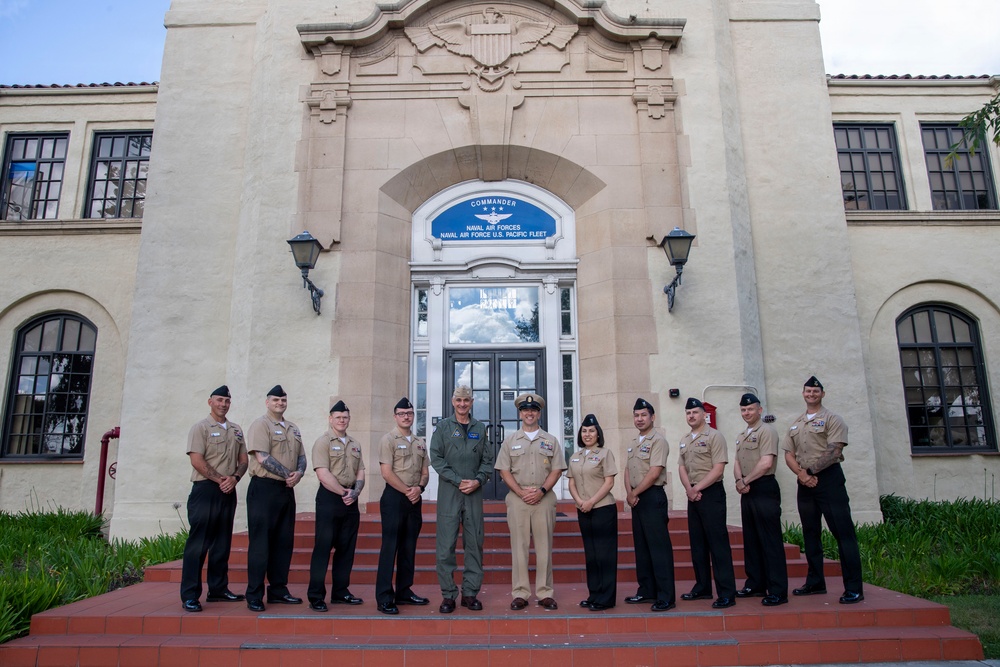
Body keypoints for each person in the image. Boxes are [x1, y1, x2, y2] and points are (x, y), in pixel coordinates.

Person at [782, 376, 864, 604]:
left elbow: (834, 450)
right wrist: (801, 474)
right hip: (804, 481)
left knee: (843, 533)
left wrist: (809, 472)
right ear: (803, 394)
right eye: (808, 391)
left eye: (815, 391)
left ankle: (854, 588)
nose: (811, 394)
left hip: (828, 480)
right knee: (811, 534)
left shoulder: (832, 419)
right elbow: (788, 452)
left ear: (822, 394)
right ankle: (815, 582)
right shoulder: (796, 423)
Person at [180, 385, 248, 612]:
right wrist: (221, 479)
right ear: (210, 402)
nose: (223, 404)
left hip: (228, 490)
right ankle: (190, 595)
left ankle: (218, 589)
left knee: (222, 544)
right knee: (198, 545)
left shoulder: (236, 430)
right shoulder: (200, 428)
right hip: (206, 490)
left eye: (227, 401)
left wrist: (235, 478)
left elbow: (243, 460)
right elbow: (196, 460)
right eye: (219, 400)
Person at [495, 393, 567, 610]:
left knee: (544, 548)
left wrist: (542, 490)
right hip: (518, 500)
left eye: (534, 410)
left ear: (539, 413)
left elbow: (557, 469)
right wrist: (520, 492)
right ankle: (520, 593)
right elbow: (504, 471)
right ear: (520, 413)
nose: (529, 413)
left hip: (544, 499)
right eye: (526, 410)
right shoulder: (510, 441)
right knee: (519, 548)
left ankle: (545, 592)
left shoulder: (550, 440)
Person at [429, 385, 494, 613]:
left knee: (474, 543)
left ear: (472, 401)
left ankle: (469, 593)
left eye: (466, 400)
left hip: (473, 493)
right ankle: (448, 595)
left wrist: (477, 480)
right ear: (452, 401)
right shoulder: (443, 427)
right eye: (459, 400)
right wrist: (458, 480)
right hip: (450, 492)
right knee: (445, 545)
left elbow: (488, 460)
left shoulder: (480, 428)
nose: (462, 404)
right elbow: (436, 458)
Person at [244, 384, 306, 612]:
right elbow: (261, 457)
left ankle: (279, 590)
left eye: (283, 400)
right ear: (267, 402)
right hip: (264, 489)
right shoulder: (261, 425)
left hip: (286, 490)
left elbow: (301, 456)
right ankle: (254, 594)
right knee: (261, 544)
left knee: (283, 542)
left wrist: (298, 474)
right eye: (275, 400)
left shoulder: (293, 428)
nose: (280, 403)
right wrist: (288, 474)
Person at [678, 397, 737, 609]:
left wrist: (697, 488)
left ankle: (726, 593)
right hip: (693, 494)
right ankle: (702, 587)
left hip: (710, 493)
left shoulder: (715, 436)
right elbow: (682, 467)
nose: (691, 416)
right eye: (688, 413)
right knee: (698, 544)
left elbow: (718, 468)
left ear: (704, 415)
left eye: (695, 412)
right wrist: (688, 489)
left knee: (717, 545)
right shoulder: (685, 439)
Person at [307, 400, 366, 611]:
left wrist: (355, 492)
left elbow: (361, 471)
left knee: (346, 549)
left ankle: (341, 592)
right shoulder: (323, 442)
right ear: (330, 419)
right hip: (331, 498)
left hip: (351, 498)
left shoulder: (355, 443)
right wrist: (343, 492)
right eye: (338, 417)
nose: (342, 420)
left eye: (345, 417)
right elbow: (322, 473)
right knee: (323, 548)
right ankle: (316, 595)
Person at [374, 397, 430, 615]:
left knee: (409, 548)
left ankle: (404, 591)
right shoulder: (388, 440)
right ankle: (384, 597)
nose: (406, 417)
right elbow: (386, 472)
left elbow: (425, 473)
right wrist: (408, 490)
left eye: (409, 413)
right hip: (395, 498)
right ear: (395, 416)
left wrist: (419, 488)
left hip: (414, 499)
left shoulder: (419, 442)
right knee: (390, 548)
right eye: (402, 413)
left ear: (413, 415)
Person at [733, 393, 788, 606]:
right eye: (743, 410)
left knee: (770, 540)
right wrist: (739, 480)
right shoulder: (741, 434)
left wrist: (745, 480)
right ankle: (755, 583)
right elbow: (737, 460)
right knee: (752, 539)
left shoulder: (767, 432)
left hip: (763, 487)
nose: (747, 413)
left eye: (750, 409)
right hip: (747, 489)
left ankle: (777, 590)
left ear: (759, 410)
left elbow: (766, 463)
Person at [623, 398, 676, 612]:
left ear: (652, 417)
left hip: (652, 497)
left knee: (658, 548)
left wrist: (634, 492)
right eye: (636, 415)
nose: (639, 419)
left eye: (643, 415)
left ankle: (666, 596)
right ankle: (647, 590)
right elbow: (627, 470)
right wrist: (629, 493)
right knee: (642, 548)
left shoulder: (658, 441)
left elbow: (655, 471)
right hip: (637, 499)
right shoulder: (634, 442)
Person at [566, 413, 618, 611]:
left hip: (603, 508)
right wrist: (580, 501)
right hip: (583, 509)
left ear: (598, 434)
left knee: (605, 554)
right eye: (584, 431)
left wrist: (591, 501)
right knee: (591, 555)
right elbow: (571, 482)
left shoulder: (605, 453)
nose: (587, 434)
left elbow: (609, 481)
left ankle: (606, 598)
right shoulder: (575, 456)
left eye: (591, 431)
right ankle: (594, 593)